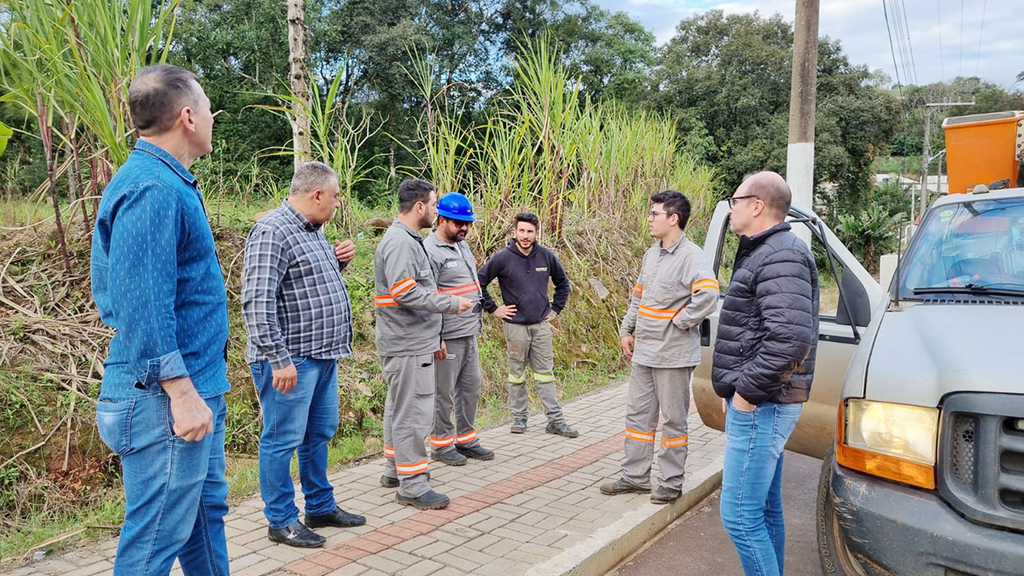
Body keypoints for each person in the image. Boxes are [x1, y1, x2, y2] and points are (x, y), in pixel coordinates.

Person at [91, 64, 231, 575]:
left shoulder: (166, 181)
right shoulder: (153, 188)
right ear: (188, 116)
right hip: (164, 399)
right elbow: (140, 303)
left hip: (191, 387)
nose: (215, 117)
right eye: (209, 107)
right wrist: (181, 392)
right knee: (155, 541)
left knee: (202, 517)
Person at [241, 161, 367, 548]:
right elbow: (256, 303)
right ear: (316, 195)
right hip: (290, 361)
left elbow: (306, 288)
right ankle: (280, 520)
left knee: (318, 434)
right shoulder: (272, 231)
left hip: (322, 356)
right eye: (334, 198)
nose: (336, 205)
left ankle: (320, 506)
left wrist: (340, 262)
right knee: (281, 440)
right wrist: (278, 359)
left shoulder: (314, 231)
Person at [713, 171, 819, 576]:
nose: (731, 207)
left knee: (739, 516)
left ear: (756, 205)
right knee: (764, 509)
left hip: (763, 405)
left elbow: (790, 340)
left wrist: (745, 394)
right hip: (763, 402)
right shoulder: (767, 250)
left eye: (735, 200)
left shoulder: (781, 254)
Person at [600, 191, 719, 504]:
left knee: (673, 420)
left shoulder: (692, 256)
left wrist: (681, 321)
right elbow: (638, 297)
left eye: (655, 214)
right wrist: (627, 329)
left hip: (674, 355)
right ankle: (635, 476)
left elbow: (708, 295)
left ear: (673, 218)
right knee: (638, 417)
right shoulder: (651, 254)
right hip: (645, 352)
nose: (650, 219)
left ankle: (670, 482)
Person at [374, 179, 474, 509]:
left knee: (398, 408)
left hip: (410, 340)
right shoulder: (401, 243)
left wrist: (435, 334)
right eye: (433, 205)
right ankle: (413, 484)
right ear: (419, 207)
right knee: (414, 413)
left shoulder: (405, 239)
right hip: (407, 342)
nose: (435, 210)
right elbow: (404, 292)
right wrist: (449, 303)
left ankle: (395, 470)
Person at [477, 212, 577, 437]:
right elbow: (478, 283)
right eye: (521, 231)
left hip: (541, 326)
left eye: (530, 231)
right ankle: (520, 418)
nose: (525, 235)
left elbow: (563, 284)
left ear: (536, 233)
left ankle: (555, 421)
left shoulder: (546, 257)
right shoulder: (502, 258)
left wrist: (556, 309)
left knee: (545, 374)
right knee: (516, 374)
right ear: (514, 232)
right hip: (515, 327)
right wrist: (494, 308)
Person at [423, 192, 495, 466]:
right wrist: (436, 337)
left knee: (470, 387)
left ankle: (466, 438)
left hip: (469, 330)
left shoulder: (461, 245)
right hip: (447, 335)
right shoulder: (430, 251)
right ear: (441, 220)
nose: (464, 228)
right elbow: (428, 298)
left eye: (467, 223)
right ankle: (441, 444)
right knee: (443, 392)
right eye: (458, 223)